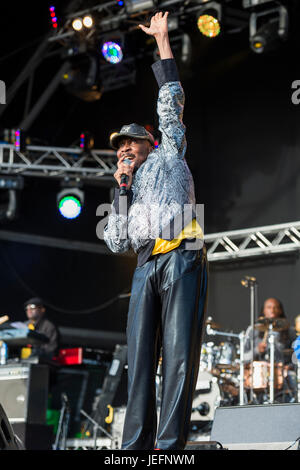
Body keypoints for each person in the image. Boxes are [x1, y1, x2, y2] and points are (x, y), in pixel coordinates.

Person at [103, 12, 208, 450]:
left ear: (149, 139)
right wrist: (121, 190)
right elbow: (116, 240)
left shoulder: (169, 153)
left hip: (182, 255)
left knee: (179, 357)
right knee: (140, 361)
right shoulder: (125, 184)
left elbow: (171, 99)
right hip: (146, 266)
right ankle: (132, 449)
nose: (124, 149)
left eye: (130, 142)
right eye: (119, 147)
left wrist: (162, 41)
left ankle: (168, 449)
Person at [244, 297, 297, 401]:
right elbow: (243, 358)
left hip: (282, 376)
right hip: (257, 377)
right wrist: (256, 350)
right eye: (269, 307)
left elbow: (296, 356)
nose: (272, 310)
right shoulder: (253, 330)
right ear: (263, 310)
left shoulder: (289, 331)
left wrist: (290, 367)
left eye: (275, 307)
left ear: (280, 310)